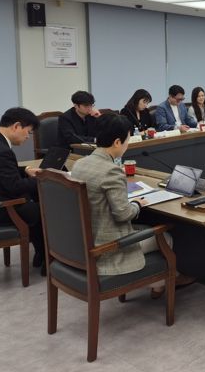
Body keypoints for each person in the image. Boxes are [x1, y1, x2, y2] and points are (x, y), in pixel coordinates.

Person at [71, 114, 194, 297]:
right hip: (107, 248)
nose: (128, 145)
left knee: (145, 228)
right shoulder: (111, 171)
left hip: (84, 240)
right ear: (117, 142)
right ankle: (162, 283)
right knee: (166, 237)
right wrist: (136, 203)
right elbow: (123, 214)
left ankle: (159, 284)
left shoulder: (80, 164)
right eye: (128, 140)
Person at [0, 108, 45, 274]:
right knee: (46, 210)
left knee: (35, 200)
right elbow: (15, 186)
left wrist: (26, 170)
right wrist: (43, 179)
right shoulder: (2, 151)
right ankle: (48, 258)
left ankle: (41, 254)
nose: (28, 137)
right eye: (28, 132)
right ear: (17, 126)